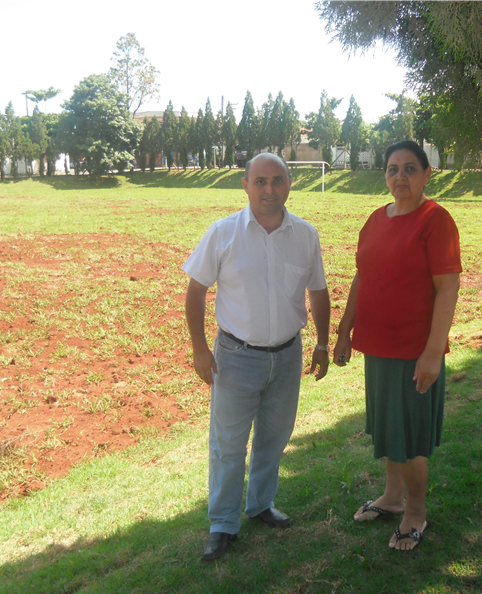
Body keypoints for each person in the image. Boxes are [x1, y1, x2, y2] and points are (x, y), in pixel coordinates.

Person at [183, 152, 331, 562]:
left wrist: (322, 342)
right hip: (235, 356)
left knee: (273, 439)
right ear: (245, 185)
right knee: (228, 445)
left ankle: (260, 505)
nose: (269, 189)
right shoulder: (223, 232)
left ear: (289, 184)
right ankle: (222, 523)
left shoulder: (305, 235)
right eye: (260, 181)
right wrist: (199, 348)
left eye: (277, 180)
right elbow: (196, 291)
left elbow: (317, 291)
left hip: (287, 357)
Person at [332, 140, 461, 551]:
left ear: (426, 174)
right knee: (389, 430)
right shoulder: (375, 219)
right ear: (384, 175)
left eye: (409, 168)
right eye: (392, 169)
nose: (399, 176)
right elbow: (361, 279)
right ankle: (391, 497)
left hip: (413, 352)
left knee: (411, 438)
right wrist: (343, 331)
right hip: (379, 349)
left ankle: (415, 512)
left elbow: (448, 288)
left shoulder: (435, 220)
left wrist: (431, 352)